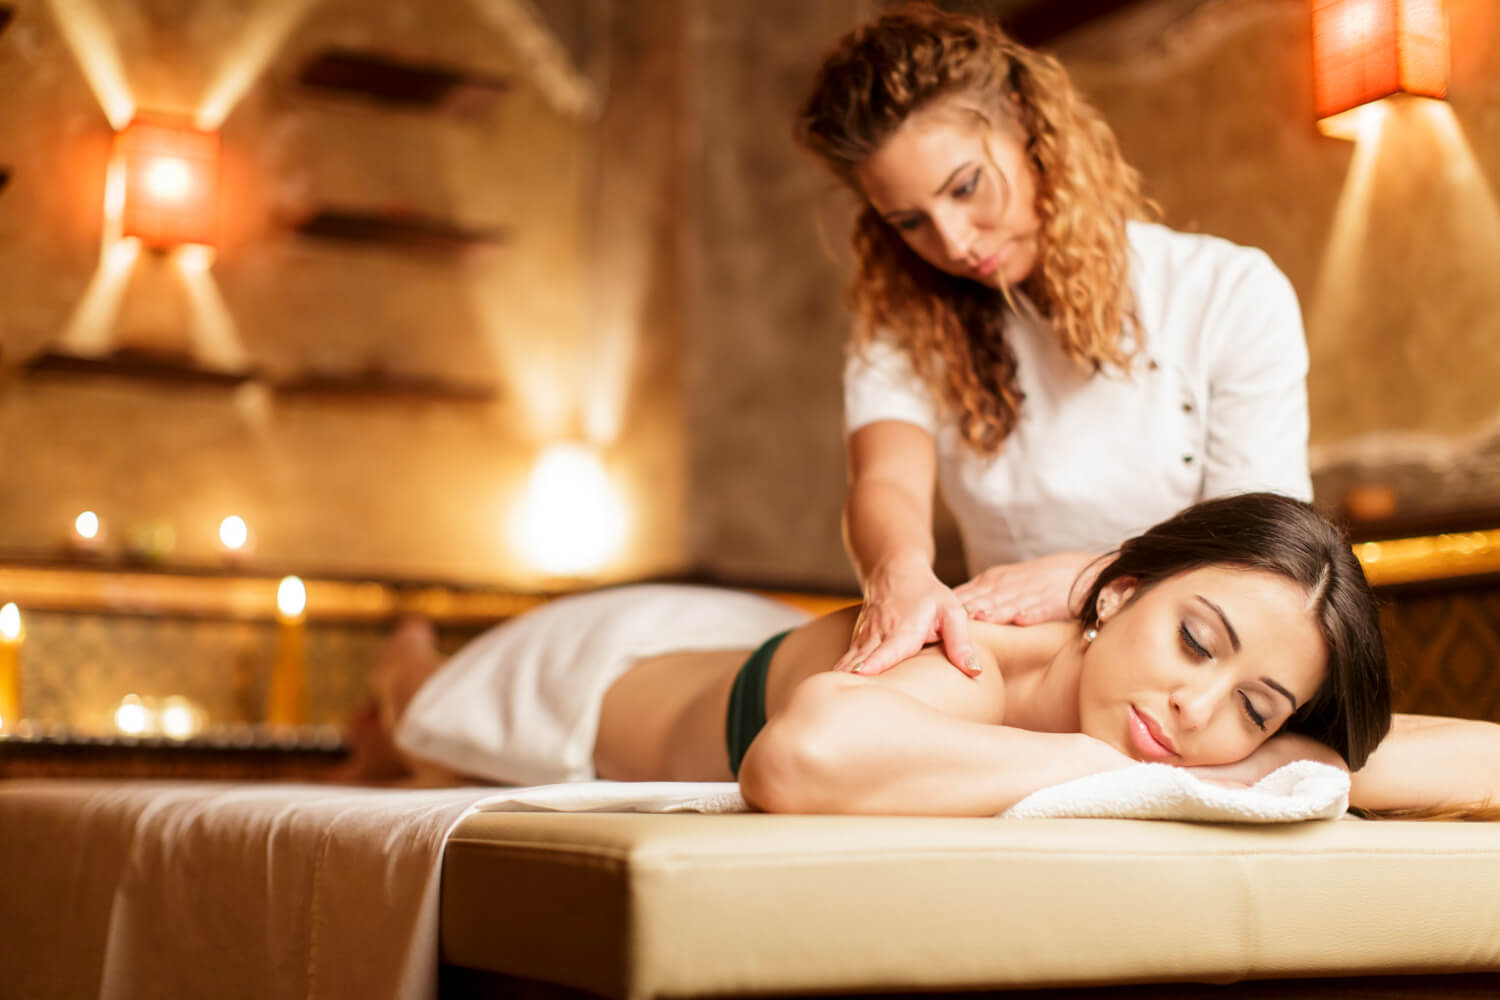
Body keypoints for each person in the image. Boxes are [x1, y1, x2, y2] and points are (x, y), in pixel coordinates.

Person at [793, 5, 1315, 678]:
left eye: (966, 187)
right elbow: (886, 478)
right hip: (1019, 665)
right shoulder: (906, 324)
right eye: (910, 221)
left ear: (1029, 127)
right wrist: (897, 574)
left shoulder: (1227, 291)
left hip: (1195, 675)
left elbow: (1265, 552)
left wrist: (1091, 577)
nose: (954, 241)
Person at [350, 493, 1405, 817]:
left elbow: (1455, 757)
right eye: (1196, 641)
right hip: (602, 675)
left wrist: (1276, 753)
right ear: (1119, 591)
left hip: (751, 632)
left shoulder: (1176, 715)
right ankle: (407, 652)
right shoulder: (976, 667)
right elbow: (794, 760)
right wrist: (1116, 767)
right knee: (420, 723)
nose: (1196, 709)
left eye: (1256, 707)